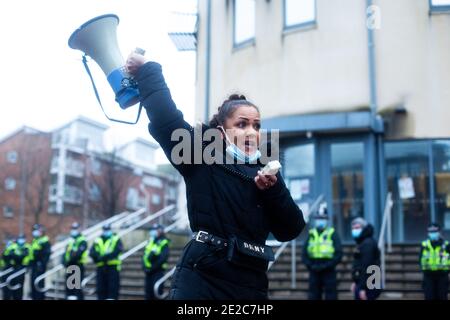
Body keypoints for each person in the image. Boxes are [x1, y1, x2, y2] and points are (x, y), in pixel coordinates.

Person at [125, 52, 305, 299]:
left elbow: (291, 229)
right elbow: (167, 119)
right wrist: (147, 72)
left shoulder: (267, 175)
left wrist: (274, 192)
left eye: (257, 125)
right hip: (202, 280)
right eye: (242, 124)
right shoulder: (201, 159)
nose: (252, 132)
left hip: (250, 284)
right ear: (221, 132)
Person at [302, 205, 342, 300]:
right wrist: (311, 266)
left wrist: (327, 265)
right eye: (319, 218)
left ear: (327, 220)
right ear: (315, 220)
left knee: (331, 296)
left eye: (323, 218)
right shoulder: (311, 234)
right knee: (313, 296)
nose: (320, 220)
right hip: (314, 269)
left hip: (329, 269)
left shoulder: (332, 233)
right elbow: (304, 254)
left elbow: (338, 253)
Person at [350, 217, 381, 300]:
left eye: (357, 228)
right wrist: (355, 281)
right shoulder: (363, 242)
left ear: (363, 228)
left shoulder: (367, 244)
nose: (354, 230)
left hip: (369, 284)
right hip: (366, 283)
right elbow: (358, 264)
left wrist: (363, 288)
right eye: (353, 228)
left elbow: (366, 266)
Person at [89, 224, 123, 300]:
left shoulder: (115, 238)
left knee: (113, 288)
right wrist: (99, 257)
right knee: (100, 289)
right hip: (101, 267)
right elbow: (92, 252)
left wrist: (106, 257)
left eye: (107, 230)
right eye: (105, 230)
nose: (106, 231)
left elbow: (118, 250)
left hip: (112, 267)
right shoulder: (98, 240)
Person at [419, 223, 449, 300]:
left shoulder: (446, 245)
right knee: (429, 297)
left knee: (442, 297)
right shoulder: (424, 244)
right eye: (431, 231)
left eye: (435, 231)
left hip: (442, 275)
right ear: (428, 232)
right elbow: (420, 259)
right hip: (428, 276)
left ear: (439, 232)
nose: (433, 233)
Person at [142, 224, 170, 300]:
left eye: (155, 230)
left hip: (158, 272)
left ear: (160, 231)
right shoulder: (150, 241)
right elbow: (144, 256)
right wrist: (144, 267)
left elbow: (163, 258)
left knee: (156, 294)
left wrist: (152, 268)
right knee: (148, 294)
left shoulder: (164, 242)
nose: (153, 232)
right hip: (148, 272)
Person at [62, 222, 88, 300]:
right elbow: (65, 253)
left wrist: (69, 259)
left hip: (77, 266)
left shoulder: (82, 240)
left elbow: (78, 254)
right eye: (73, 229)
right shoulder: (70, 241)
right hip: (70, 266)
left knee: (77, 289)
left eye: (75, 229)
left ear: (79, 229)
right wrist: (64, 261)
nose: (73, 230)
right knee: (69, 289)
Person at [29, 224, 51, 300]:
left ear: (41, 231)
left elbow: (46, 254)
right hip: (34, 266)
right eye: (34, 230)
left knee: (39, 285)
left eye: (37, 230)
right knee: (33, 285)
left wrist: (42, 264)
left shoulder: (45, 241)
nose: (35, 232)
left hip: (40, 267)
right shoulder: (35, 241)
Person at [9, 235, 31, 300]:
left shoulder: (27, 247)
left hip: (22, 268)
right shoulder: (14, 246)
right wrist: (18, 257)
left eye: (22, 239)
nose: (21, 240)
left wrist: (18, 257)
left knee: (20, 286)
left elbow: (23, 256)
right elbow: (11, 255)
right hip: (14, 268)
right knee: (13, 284)